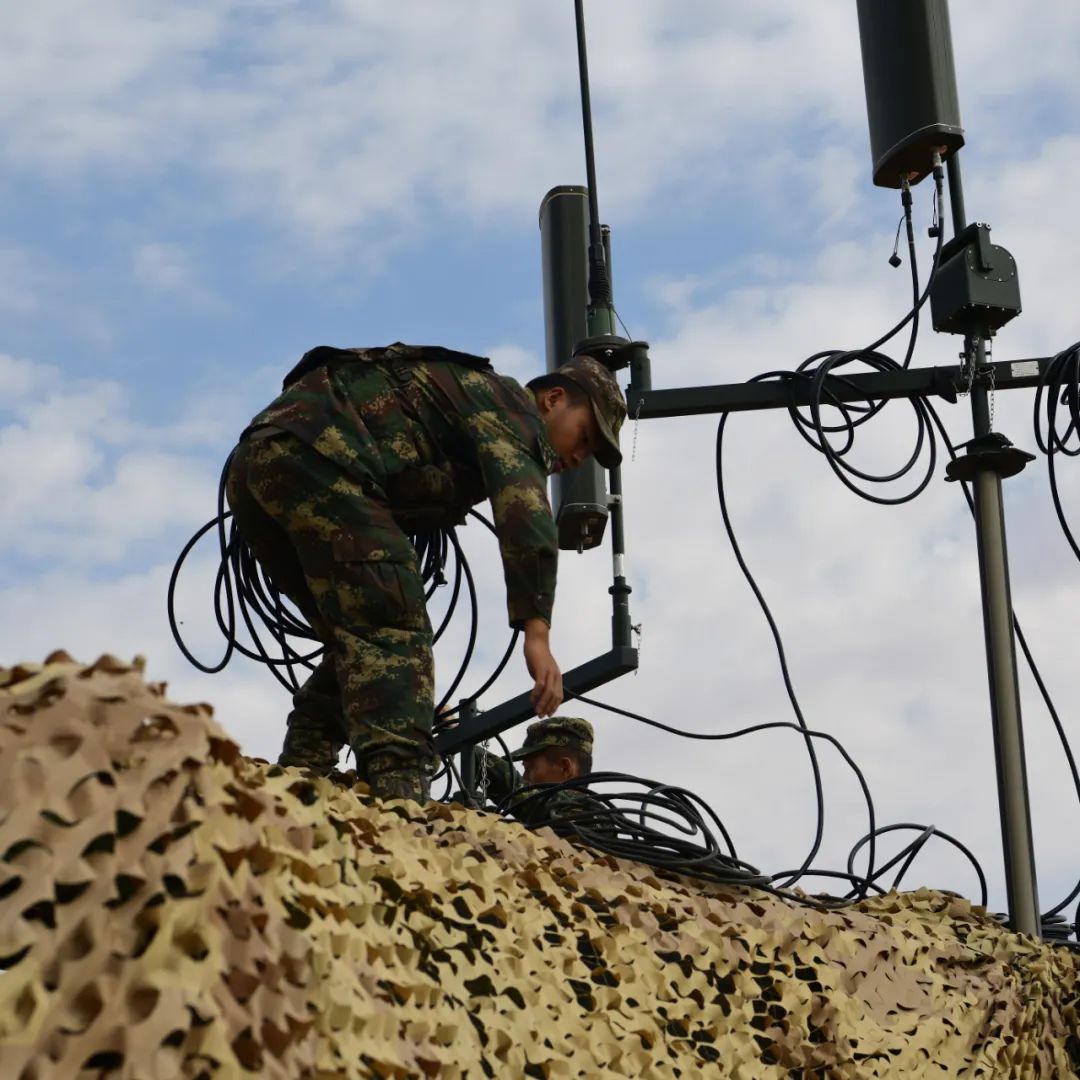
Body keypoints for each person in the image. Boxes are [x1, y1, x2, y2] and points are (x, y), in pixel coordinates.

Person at [225, 343, 625, 802]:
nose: (581, 456)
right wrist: (537, 632)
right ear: (553, 399)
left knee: (358, 635)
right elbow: (525, 519)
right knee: (394, 623)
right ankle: (400, 798)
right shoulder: (515, 412)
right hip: (323, 454)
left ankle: (303, 767)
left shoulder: (476, 405)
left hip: (261, 462)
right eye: (586, 435)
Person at [469, 716, 595, 827]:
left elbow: (524, 794)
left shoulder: (593, 817)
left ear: (564, 768)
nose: (524, 776)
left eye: (529, 769)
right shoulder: (544, 826)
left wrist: (465, 742)